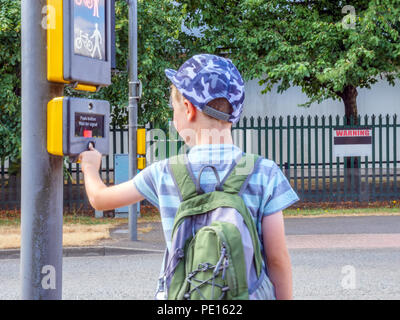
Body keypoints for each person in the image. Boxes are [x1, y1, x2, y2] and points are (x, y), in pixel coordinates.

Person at [79, 54, 299, 300]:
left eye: (174, 109)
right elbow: (277, 258)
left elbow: (99, 199)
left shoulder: (165, 172)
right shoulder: (264, 172)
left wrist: (90, 167)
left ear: (188, 109)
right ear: (235, 112)